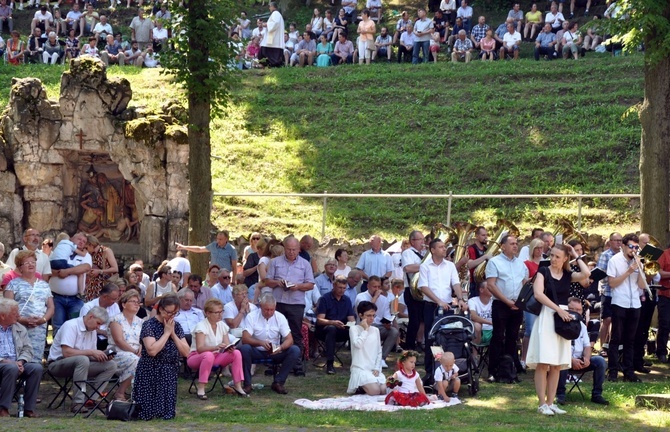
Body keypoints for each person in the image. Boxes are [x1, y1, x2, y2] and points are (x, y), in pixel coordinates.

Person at [527, 244, 590, 415]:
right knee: (543, 362)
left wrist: (576, 254)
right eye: (552, 255)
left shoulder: (568, 275)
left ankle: (550, 402)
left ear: (564, 259)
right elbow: (539, 294)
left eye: (557, 256)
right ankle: (541, 403)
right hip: (548, 315)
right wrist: (559, 310)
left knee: (556, 364)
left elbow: (586, 274)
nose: (553, 259)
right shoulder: (543, 271)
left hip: (562, 318)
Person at [47, 307, 118, 414]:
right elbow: (67, 353)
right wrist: (91, 352)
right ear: (90, 317)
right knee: (83, 360)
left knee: (111, 365)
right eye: (98, 323)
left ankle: (90, 399)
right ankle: (77, 403)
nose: (98, 327)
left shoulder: (92, 331)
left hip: (81, 364)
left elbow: (90, 355)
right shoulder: (71, 325)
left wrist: (102, 355)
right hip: (58, 364)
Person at [133, 294, 190, 420]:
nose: (171, 316)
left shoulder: (176, 326)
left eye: (175, 313)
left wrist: (173, 334)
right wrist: (166, 334)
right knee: (147, 413)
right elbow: (152, 350)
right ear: (161, 309)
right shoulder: (149, 325)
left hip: (169, 369)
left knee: (166, 413)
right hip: (151, 369)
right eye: (169, 312)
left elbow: (186, 352)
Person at [418, 238, 467, 383]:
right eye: (441, 247)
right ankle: (430, 372)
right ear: (432, 250)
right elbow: (423, 287)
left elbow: (456, 283)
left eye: (444, 247)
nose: (444, 249)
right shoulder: (425, 266)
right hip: (431, 307)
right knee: (431, 339)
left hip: (446, 307)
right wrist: (437, 300)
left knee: (446, 337)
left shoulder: (450, 266)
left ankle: (447, 370)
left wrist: (460, 299)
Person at [265, 237, 315, 376]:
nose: (292, 252)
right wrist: (278, 283)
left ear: (299, 249)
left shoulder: (305, 264)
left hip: (296, 303)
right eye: (289, 249)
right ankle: (272, 363)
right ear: (284, 248)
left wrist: (297, 286)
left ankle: (297, 365)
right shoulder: (275, 262)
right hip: (278, 302)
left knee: (296, 334)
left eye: (294, 250)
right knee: (274, 333)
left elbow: (310, 284)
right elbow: (267, 281)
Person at [485, 235, 528, 382]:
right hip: (501, 304)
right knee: (498, 336)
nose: (515, 246)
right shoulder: (494, 262)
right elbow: (491, 285)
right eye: (512, 244)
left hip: (517, 305)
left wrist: (520, 301)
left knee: (513, 337)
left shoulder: (521, 264)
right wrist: (507, 301)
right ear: (503, 246)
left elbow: (525, 283)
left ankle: (510, 369)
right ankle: (493, 370)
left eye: (516, 244)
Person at [239, 294, 301, 394]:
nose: (269, 312)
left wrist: (280, 348)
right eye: (266, 309)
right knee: (244, 349)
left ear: (275, 307)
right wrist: (260, 343)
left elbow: (289, 339)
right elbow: (245, 339)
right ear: (260, 306)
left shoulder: (280, 317)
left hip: (275, 351)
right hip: (257, 350)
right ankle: (247, 384)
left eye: (272, 310)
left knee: (295, 350)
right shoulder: (252, 316)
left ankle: (278, 382)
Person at [188, 298, 247, 399]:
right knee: (208, 355)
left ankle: (238, 386)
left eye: (221, 312)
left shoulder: (222, 325)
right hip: (196, 357)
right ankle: (201, 388)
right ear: (208, 313)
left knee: (236, 353)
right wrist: (215, 347)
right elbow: (200, 349)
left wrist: (229, 348)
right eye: (217, 312)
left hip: (216, 356)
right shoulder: (201, 326)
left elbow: (227, 344)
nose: (220, 315)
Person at [555, 297, 609, 405]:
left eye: (578, 310)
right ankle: (560, 395)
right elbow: (556, 349)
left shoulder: (582, 326)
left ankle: (597, 395)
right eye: (572, 309)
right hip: (563, 359)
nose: (575, 312)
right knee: (562, 361)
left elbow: (587, 346)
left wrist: (587, 358)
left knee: (600, 361)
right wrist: (571, 360)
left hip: (580, 360)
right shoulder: (558, 324)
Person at [606, 233, 645, 382]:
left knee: (631, 339)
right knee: (616, 338)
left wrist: (640, 269)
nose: (633, 250)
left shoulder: (638, 261)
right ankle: (613, 371)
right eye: (631, 247)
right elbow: (612, 283)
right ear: (623, 246)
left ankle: (629, 372)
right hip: (619, 302)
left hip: (635, 303)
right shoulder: (614, 261)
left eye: (636, 247)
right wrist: (629, 271)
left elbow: (641, 285)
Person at [4, 251, 54, 364]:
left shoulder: (44, 285)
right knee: (18, 358)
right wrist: (21, 320)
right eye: (26, 263)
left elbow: (51, 307)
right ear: (19, 267)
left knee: (35, 361)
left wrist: (43, 320)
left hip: (39, 329)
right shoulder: (13, 284)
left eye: (33, 262)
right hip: (18, 327)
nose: (31, 264)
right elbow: (7, 307)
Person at [0, 298, 42, 418]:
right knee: (10, 368)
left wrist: (20, 361)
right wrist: (5, 361)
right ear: (3, 316)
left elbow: (28, 349)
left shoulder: (19, 328)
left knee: (36, 368)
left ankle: (29, 408)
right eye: (15, 313)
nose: (19, 315)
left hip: (16, 363)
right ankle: (3, 408)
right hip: (4, 364)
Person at [49, 232, 92, 335]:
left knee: (75, 325)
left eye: (84, 241)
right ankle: (58, 350)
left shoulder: (85, 256)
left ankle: (73, 350)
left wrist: (66, 272)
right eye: (79, 239)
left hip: (75, 299)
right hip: (56, 297)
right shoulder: (58, 250)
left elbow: (86, 267)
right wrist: (60, 273)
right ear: (72, 239)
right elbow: (48, 270)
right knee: (58, 326)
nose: (81, 242)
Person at [355, 276, 399, 369]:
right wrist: (375, 297)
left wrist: (388, 323)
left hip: (379, 326)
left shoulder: (383, 299)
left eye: (379, 287)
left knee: (394, 331)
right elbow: (366, 311)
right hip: (364, 326)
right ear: (368, 286)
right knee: (373, 328)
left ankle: (382, 358)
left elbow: (387, 315)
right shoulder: (361, 296)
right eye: (374, 287)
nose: (377, 289)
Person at [108, 290, 143, 401]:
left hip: (137, 352)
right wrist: (134, 351)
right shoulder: (116, 319)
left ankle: (145, 395)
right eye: (133, 301)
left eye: (138, 302)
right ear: (123, 304)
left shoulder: (141, 322)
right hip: (116, 352)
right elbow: (119, 341)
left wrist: (142, 348)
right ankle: (120, 392)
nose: (137, 304)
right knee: (136, 360)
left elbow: (144, 340)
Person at [316, 276, 355, 374]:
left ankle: (357, 362)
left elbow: (351, 318)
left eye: (344, 288)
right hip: (325, 329)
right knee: (332, 329)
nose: (342, 290)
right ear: (333, 286)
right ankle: (330, 363)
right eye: (339, 287)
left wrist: (350, 325)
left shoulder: (347, 300)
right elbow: (319, 320)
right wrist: (332, 322)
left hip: (342, 329)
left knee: (355, 330)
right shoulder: (325, 298)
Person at [347, 301, 386, 394]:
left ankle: (368, 384)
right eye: (368, 315)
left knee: (384, 390)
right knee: (375, 391)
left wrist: (377, 368)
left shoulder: (376, 330)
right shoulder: (354, 329)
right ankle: (360, 386)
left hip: (373, 368)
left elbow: (379, 351)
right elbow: (358, 345)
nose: (372, 318)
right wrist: (366, 329)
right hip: (360, 368)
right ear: (360, 315)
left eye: (373, 315)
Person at [597, 232, 622, 356]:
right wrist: (614, 276)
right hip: (608, 292)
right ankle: (602, 346)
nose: (618, 243)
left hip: (621, 293)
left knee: (617, 320)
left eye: (620, 240)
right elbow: (600, 275)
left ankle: (613, 346)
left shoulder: (625, 255)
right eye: (616, 240)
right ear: (610, 242)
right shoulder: (605, 255)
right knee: (607, 320)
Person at [402, 230, 425, 351]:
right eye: (420, 239)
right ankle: (409, 345)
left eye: (423, 239)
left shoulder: (426, 253)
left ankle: (419, 342)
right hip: (411, 290)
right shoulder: (408, 253)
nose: (423, 242)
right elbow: (408, 268)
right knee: (414, 320)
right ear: (412, 241)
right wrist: (426, 266)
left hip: (423, 290)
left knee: (423, 319)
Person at [79, 282, 121, 350]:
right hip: (93, 336)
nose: (115, 301)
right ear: (104, 297)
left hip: (110, 336)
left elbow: (119, 323)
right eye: (113, 299)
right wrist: (103, 332)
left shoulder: (115, 306)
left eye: (116, 299)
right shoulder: (88, 307)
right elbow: (85, 327)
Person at [85, 235, 119, 301]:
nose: (86, 250)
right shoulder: (90, 254)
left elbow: (115, 268)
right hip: (92, 286)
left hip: (104, 284)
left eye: (86, 248)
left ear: (91, 245)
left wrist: (99, 271)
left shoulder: (106, 251)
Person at [259, 2, 285, 67]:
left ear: (273, 7)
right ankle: (268, 64)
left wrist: (266, 24)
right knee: (264, 51)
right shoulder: (275, 14)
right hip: (273, 38)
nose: (269, 8)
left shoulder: (276, 13)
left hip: (274, 39)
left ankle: (272, 64)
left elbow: (275, 23)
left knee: (265, 51)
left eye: (270, 6)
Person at [468, 281, 493, 346]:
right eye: (488, 288)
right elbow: (473, 316)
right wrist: (490, 322)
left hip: (493, 330)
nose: (491, 289)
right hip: (480, 330)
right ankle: (475, 354)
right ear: (481, 290)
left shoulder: (494, 301)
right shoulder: (473, 301)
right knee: (477, 325)